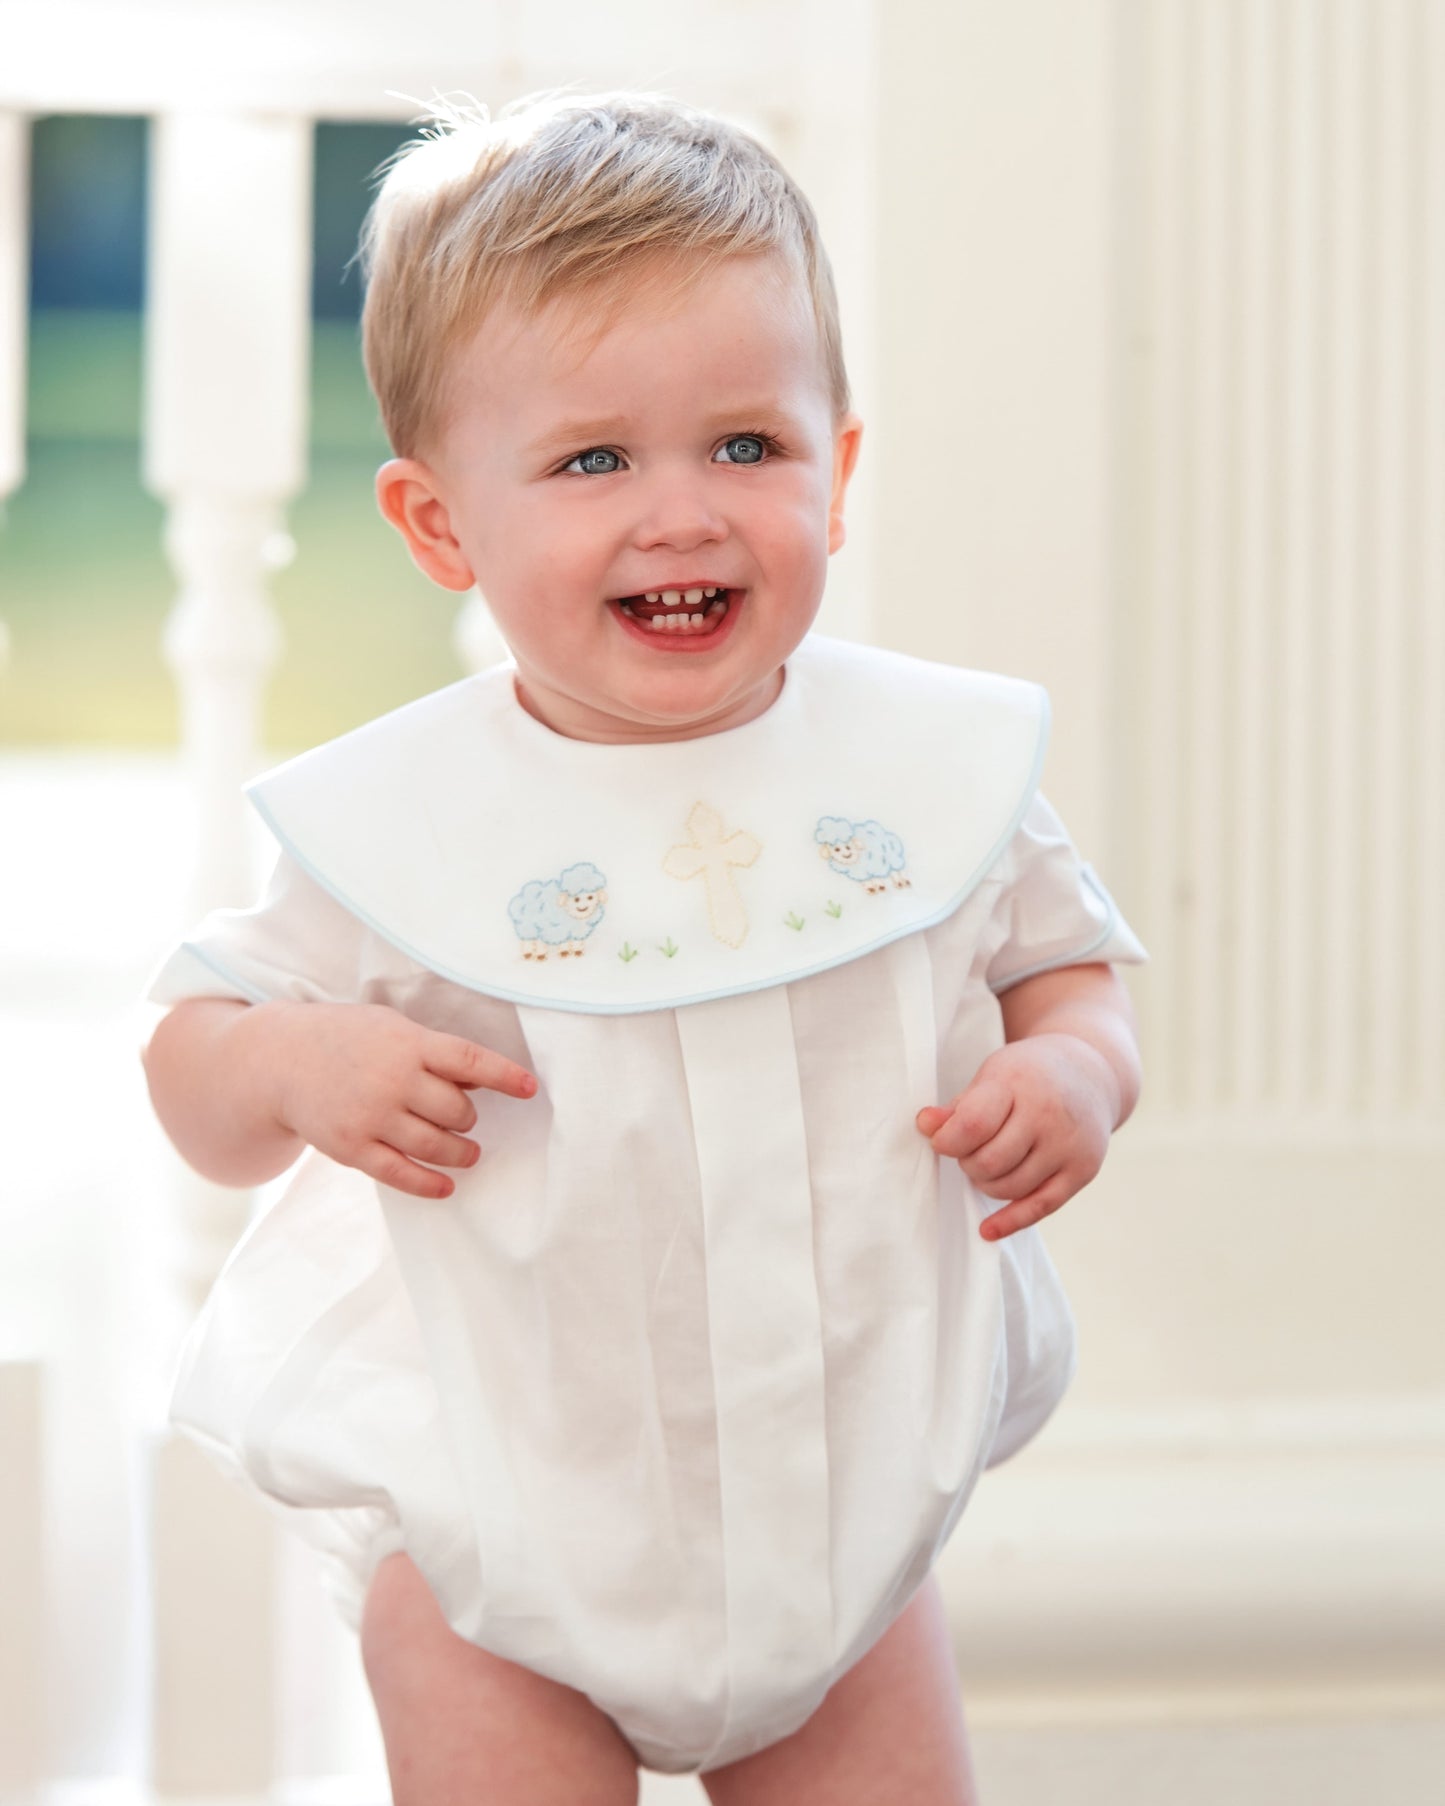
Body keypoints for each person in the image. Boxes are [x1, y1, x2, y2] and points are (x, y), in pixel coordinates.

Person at [142, 90, 1146, 1805]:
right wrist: (297, 1063)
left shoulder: (916, 779)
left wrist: (1072, 1066)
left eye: (744, 447)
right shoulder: (412, 823)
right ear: (442, 524)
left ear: (833, 469)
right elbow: (193, 1064)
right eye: (594, 459)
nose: (680, 512)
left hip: (841, 1538)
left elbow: (1068, 961)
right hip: (500, 1544)